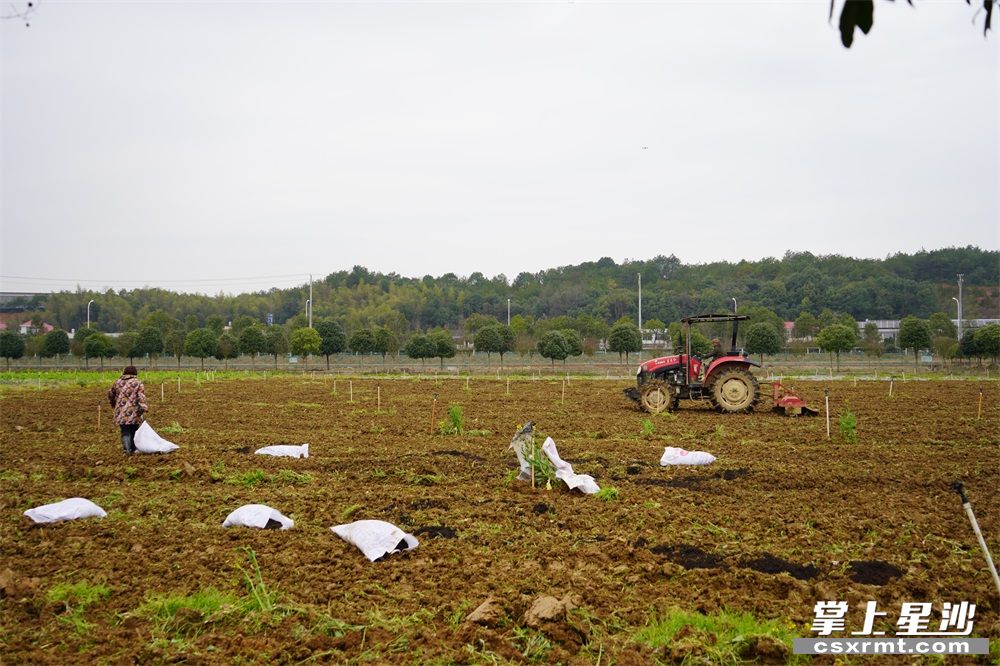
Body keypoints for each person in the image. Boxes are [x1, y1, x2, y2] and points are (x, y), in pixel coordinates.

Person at [108, 366, 148, 455]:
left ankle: (126, 450)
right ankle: (133, 449)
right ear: (135, 373)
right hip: (134, 411)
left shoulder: (117, 382)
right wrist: (143, 407)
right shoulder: (138, 383)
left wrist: (114, 404)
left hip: (120, 411)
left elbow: (110, 393)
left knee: (125, 431)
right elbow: (141, 396)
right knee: (134, 430)